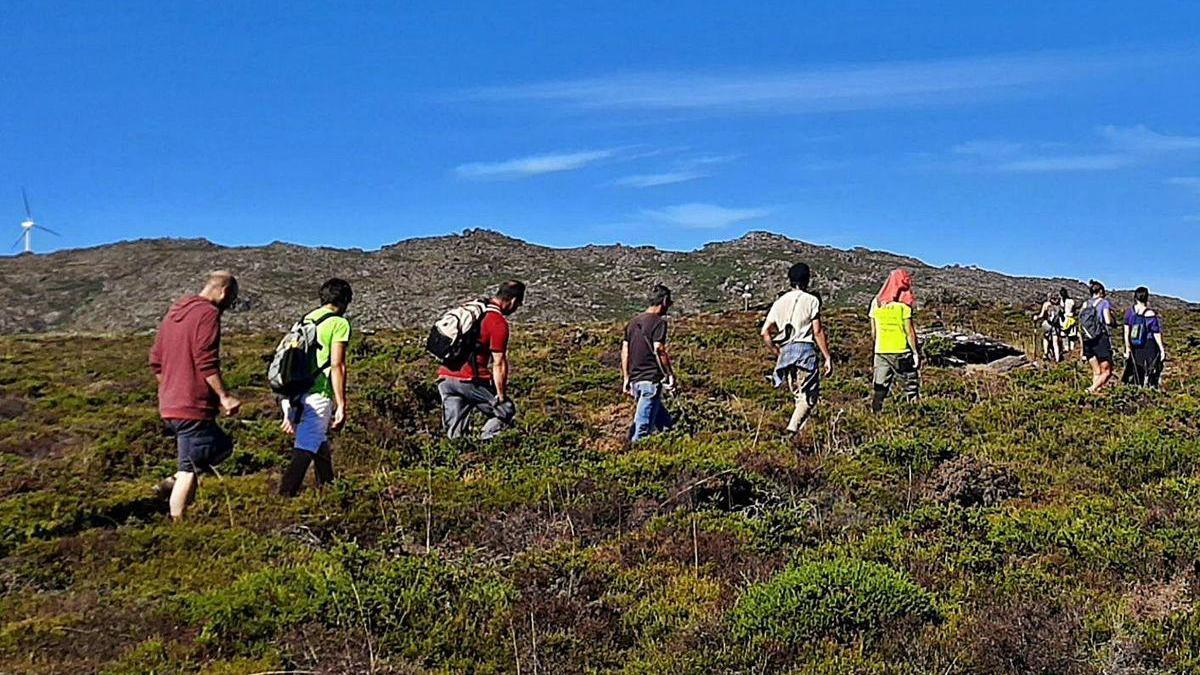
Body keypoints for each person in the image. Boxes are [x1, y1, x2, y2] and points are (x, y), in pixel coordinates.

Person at [149, 271, 241, 521]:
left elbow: (155, 361)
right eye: (231, 299)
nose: (229, 305)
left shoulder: (173, 314)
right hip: (192, 405)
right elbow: (206, 359)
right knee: (189, 469)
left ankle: (174, 482)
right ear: (224, 292)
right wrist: (224, 396)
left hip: (170, 404)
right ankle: (180, 527)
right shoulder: (208, 314)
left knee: (219, 446)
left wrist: (170, 387)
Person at [278, 278, 353, 496]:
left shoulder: (304, 321)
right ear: (345, 300)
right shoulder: (339, 324)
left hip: (294, 392)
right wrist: (341, 404)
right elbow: (337, 365)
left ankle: (329, 491)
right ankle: (283, 498)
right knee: (305, 448)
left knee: (318, 442)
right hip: (318, 393)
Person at [437, 280, 525, 440]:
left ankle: (456, 457)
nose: (516, 308)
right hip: (472, 380)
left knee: (455, 433)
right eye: (518, 304)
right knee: (505, 410)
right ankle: (487, 442)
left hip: (445, 378)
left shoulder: (473, 309)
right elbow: (498, 363)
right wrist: (501, 396)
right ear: (512, 301)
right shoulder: (497, 322)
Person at [761, 263, 833, 433]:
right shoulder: (812, 300)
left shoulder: (779, 302)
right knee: (808, 398)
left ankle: (799, 436)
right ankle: (792, 431)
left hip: (786, 353)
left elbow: (765, 332)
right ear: (807, 279)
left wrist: (777, 352)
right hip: (805, 352)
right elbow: (817, 331)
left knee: (798, 396)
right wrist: (827, 357)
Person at [622, 284, 677, 441]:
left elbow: (625, 350)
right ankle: (634, 458)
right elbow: (659, 349)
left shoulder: (632, 323)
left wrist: (627, 378)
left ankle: (672, 444)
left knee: (666, 424)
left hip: (635, 381)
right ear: (665, 301)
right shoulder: (659, 323)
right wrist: (670, 375)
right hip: (650, 382)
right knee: (642, 429)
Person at [869, 269, 920, 412]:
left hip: (881, 352)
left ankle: (875, 415)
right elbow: (909, 331)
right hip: (901, 352)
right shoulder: (904, 306)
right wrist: (915, 352)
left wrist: (878, 345)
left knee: (880, 388)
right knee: (910, 386)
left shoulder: (876, 303)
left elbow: (874, 331)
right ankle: (914, 416)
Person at [1122, 286, 1166, 388]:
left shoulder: (1129, 312)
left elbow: (1126, 332)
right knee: (1152, 370)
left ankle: (1137, 391)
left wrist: (1127, 347)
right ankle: (1151, 390)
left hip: (1134, 344)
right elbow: (1156, 332)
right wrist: (1161, 348)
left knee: (1137, 371)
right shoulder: (1150, 313)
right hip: (1149, 344)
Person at [1080, 280, 1115, 393]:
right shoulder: (1103, 303)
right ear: (1100, 291)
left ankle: (1094, 396)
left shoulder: (1085, 304)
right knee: (1106, 371)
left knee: (1096, 371)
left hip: (1087, 339)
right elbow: (1108, 321)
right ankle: (1091, 389)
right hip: (1100, 339)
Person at [1032, 292, 1064, 362]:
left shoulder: (1046, 304)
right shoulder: (1059, 306)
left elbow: (1041, 315)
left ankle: (1045, 354)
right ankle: (1057, 358)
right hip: (1056, 326)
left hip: (1047, 324)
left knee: (1045, 338)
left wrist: (1036, 317)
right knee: (1055, 343)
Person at [1059, 288, 1078, 353]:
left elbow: (1061, 310)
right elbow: (1074, 309)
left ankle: (1066, 347)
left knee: (1064, 334)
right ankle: (1072, 348)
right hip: (1071, 317)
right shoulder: (1071, 301)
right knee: (1071, 334)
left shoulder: (1062, 301)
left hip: (1064, 318)